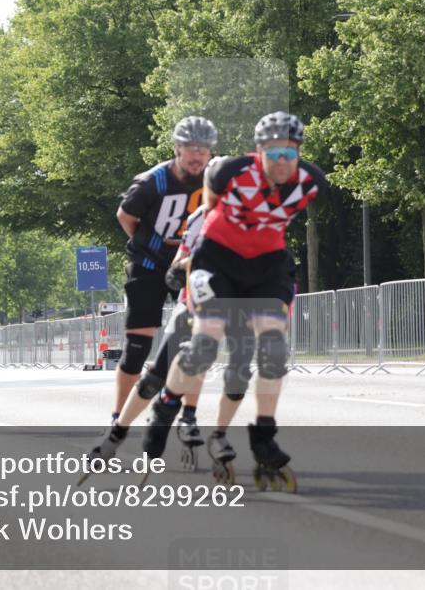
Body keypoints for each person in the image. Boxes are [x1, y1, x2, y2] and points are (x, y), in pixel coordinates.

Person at [146, 111, 325, 492]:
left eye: (290, 152)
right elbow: (206, 215)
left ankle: (262, 435)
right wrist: (186, 262)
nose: (282, 160)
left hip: (267, 264)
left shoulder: (310, 181)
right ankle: (166, 403)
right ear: (258, 151)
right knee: (204, 343)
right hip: (219, 258)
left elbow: (280, 220)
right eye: (273, 152)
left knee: (274, 348)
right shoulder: (227, 172)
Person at [87, 204, 256, 477]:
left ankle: (205, 427)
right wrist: (180, 268)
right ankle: (116, 433)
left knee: (238, 374)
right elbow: (181, 258)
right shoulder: (201, 216)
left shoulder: (261, 216)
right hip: (194, 304)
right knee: (157, 376)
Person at [110, 116, 217, 425]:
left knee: (199, 342)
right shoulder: (153, 181)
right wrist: (150, 244)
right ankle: (118, 418)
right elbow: (125, 216)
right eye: (190, 148)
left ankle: (189, 417)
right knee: (137, 348)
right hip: (149, 265)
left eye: (203, 149)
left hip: (190, 266)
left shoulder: (216, 180)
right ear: (176, 149)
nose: (197, 156)